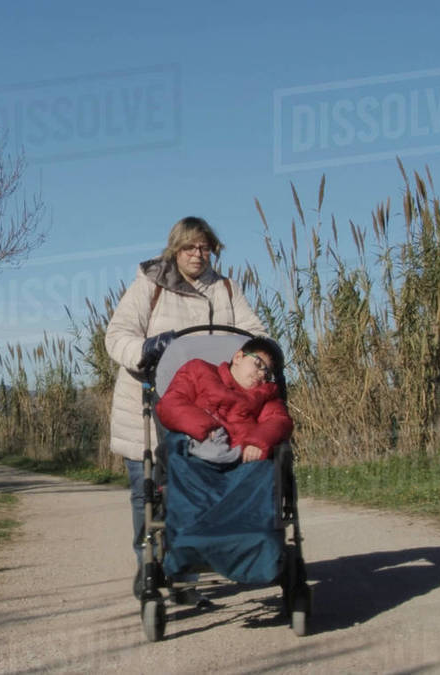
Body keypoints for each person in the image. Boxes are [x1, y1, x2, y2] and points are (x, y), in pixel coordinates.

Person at [104, 216, 267, 606]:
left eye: (204, 247)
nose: (197, 255)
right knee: (147, 491)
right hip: (148, 403)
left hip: (208, 407)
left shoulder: (226, 289)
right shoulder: (150, 286)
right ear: (174, 249)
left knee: (196, 488)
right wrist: (145, 349)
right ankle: (149, 564)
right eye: (189, 247)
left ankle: (186, 576)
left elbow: (254, 334)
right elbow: (117, 335)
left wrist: (256, 360)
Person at [155, 337, 293, 466]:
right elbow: (171, 403)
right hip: (196, 453)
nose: (262, 374)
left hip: (240, 461)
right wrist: (205, 427)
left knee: (266, 469)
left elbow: (278, 420)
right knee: (175, 445)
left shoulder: (266, 394)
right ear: (238, 357)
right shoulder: (199, 370)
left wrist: (257, 442)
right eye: (258, 364)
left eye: (267, 374)